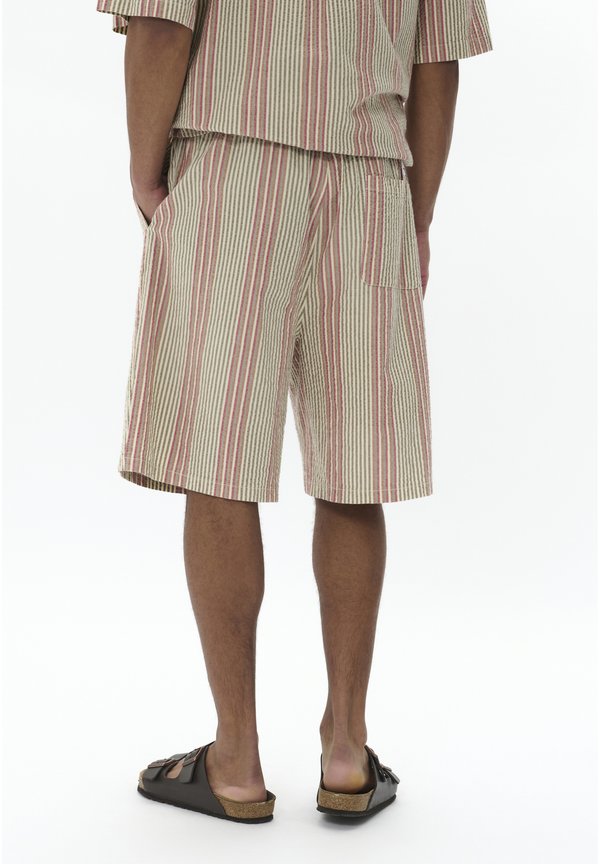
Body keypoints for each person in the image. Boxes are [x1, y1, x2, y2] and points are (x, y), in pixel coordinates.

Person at [96, 0, 493, 824]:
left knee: (218, 459)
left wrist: (143, 173)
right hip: (371, 178)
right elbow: (437, 56)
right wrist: (417, 212)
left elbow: (162, 24)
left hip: (229, 160)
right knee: (355, 468)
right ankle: (346, 748)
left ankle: (236, 759)